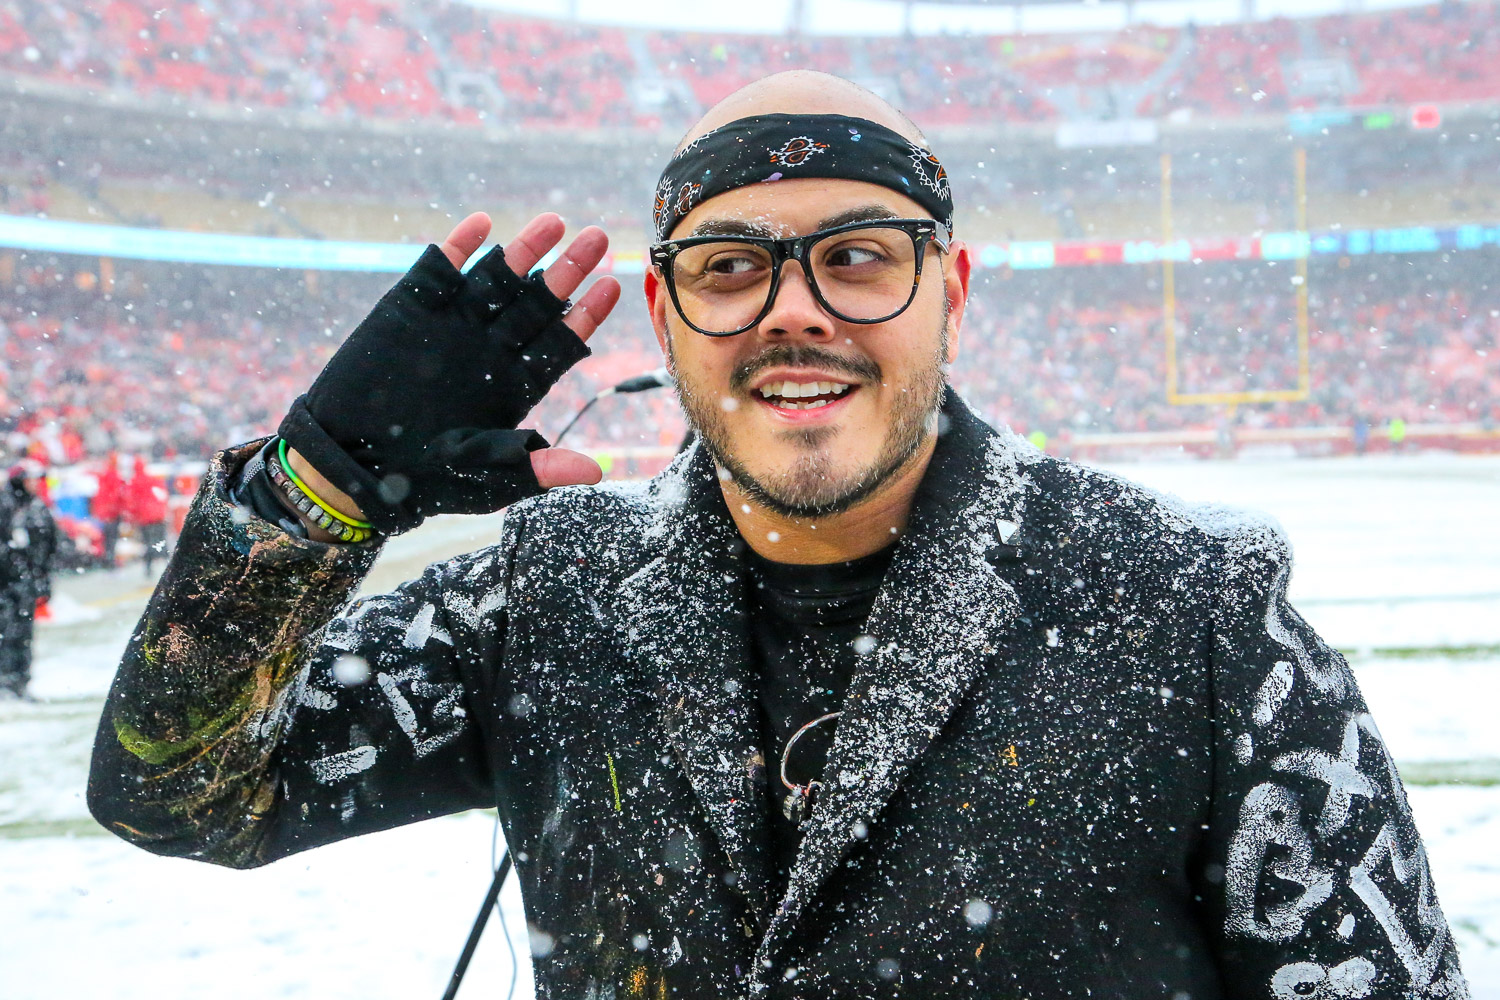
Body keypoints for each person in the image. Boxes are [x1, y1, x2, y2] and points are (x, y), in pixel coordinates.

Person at [88, 72, 1468, 998]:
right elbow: (180, 787)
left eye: (857, 255)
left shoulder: (1193, 609)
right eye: (731, 265)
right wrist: (315, 490)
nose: (793, 309)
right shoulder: (545, 593)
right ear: (665, 312)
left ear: (952, 290)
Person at [1, 463, 58, 699]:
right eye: (30, 480)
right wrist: (13, 566)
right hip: (6, 584)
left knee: (24, 635)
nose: (34, 484)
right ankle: (6, 681)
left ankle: (21, 681)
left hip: (28, 584)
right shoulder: (5, 506)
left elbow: (50, 546)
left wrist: (43, 580)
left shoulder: (38, 507)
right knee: (7, 633)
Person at [124, 455, 170, 577]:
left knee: (148, 544)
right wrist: (161, 510)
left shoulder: (133, 482)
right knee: (162, 541)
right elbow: (162, 495)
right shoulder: (153, 479)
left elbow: (131, 502)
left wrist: (133, 517)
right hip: (158, 516)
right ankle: (170, 565)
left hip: (145, 518)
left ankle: (149, 569)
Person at [93, 452, 124, 568]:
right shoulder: (113, 475)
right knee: (111, 539)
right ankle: (110, 561)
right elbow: (115, 495)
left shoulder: (105, 475)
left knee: (108, 539)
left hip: (106, 513)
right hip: (112, 513)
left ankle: (108, 560)